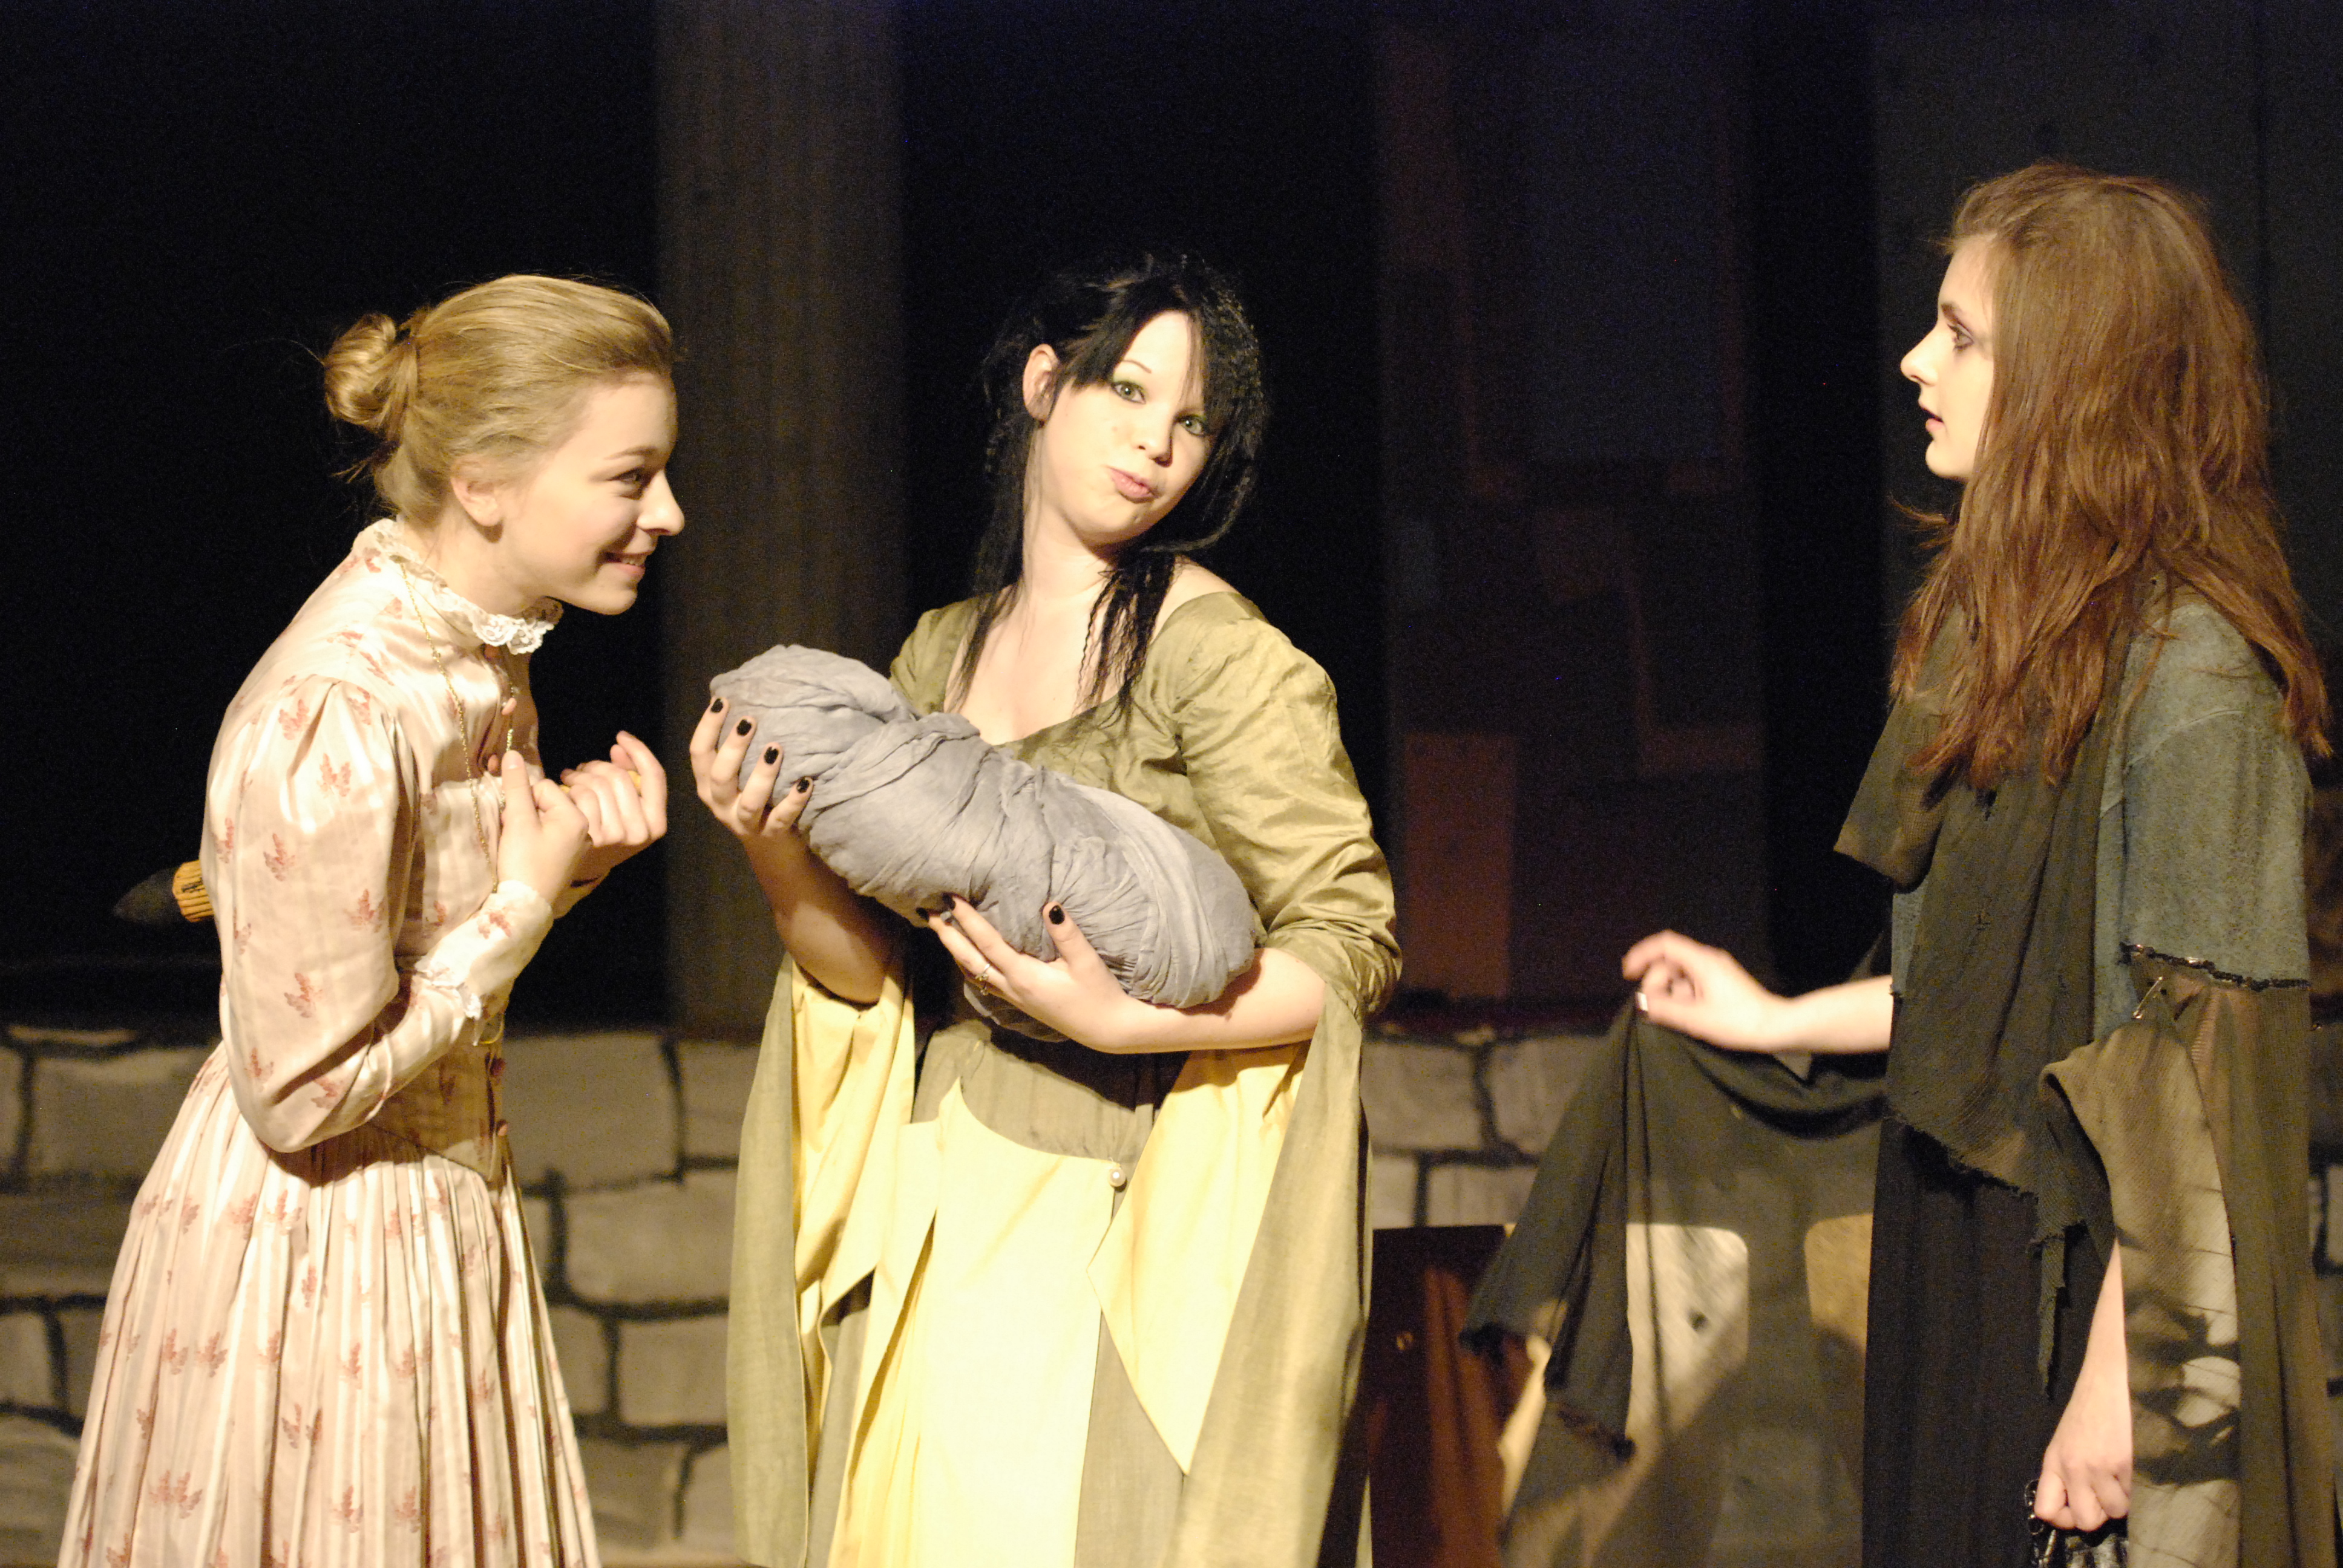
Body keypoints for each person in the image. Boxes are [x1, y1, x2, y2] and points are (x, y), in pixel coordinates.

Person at [1624, 163, 2335, 1566]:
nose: (1914, 360)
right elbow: (1974, 1005)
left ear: (2074, 378)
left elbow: (2198, 1079)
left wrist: (2123, 1386)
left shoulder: (2195, 675)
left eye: (1960, 335)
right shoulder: (1999, 638)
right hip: (1961, 1235)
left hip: (2093, 1281)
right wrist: (1776, 1018)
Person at [695, 253, 1398, 1568]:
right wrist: (773, 851)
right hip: (937, 1170)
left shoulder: (1211, 650)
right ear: (1041, 383)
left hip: (1123, 1185)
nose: (1156, 444)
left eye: (1191, 421)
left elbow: (1351, 944)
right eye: (1127, 390)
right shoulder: (938, 652)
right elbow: (869, 978)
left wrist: (1128, 1023)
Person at [60, 275, 682, 1567]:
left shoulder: (477, 655)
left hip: (429, 1216)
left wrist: (567, 868)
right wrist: (521, 906)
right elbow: (302, 1093)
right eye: (631, 477)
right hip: (319, 1247)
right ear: (484, 482)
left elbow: (416, 937)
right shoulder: (341, 707)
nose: (667, 512)